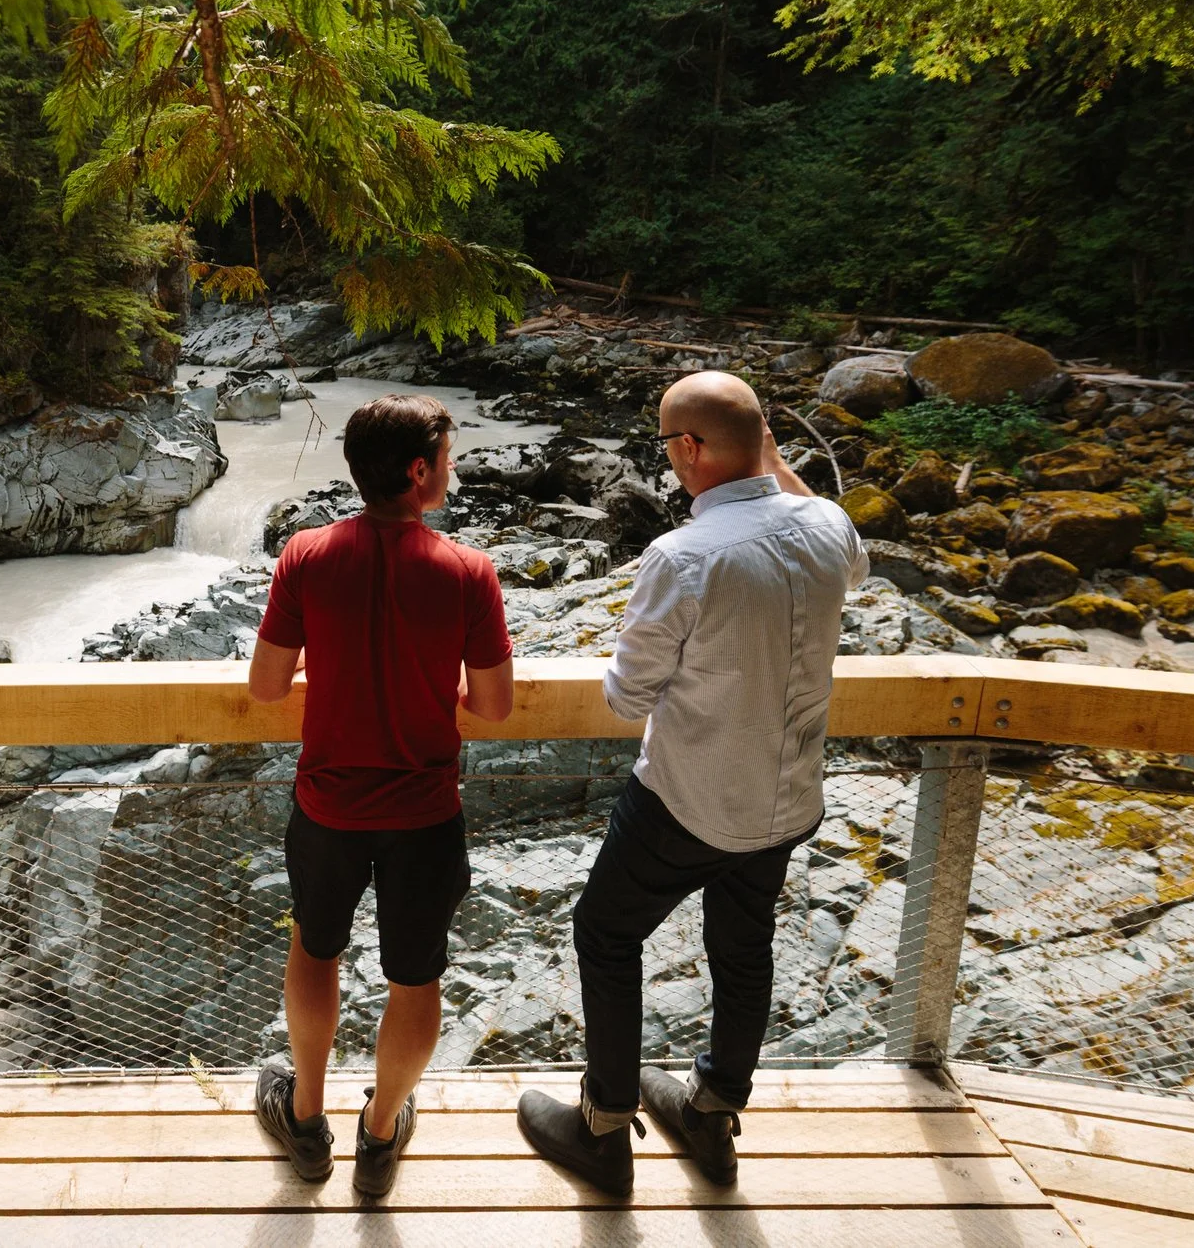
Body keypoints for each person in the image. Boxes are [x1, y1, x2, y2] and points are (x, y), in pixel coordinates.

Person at [517, 370, 866, 1195]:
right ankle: (712, 1116)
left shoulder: (682, 556)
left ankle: (603, 1127)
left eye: (670, 444)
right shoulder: (827, 525)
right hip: (787, 801)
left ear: (691, 449)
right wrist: (770, 460)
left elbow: (628, 694)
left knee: (607, 933)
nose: (669, 459)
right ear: (764, 443)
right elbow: (852, 565)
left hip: (688, 800)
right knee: (744, 945)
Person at [246, 393, 516, 1196]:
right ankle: (379, 1131)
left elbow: (265, 686)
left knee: (315, 948)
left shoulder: (305, 555)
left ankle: (304, 1120)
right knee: (414, 977)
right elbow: (493, 705)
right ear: (418, 470)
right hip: (426, 814)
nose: (454, 466)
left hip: (328, 805)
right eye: (449, 453)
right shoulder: (468, 571)